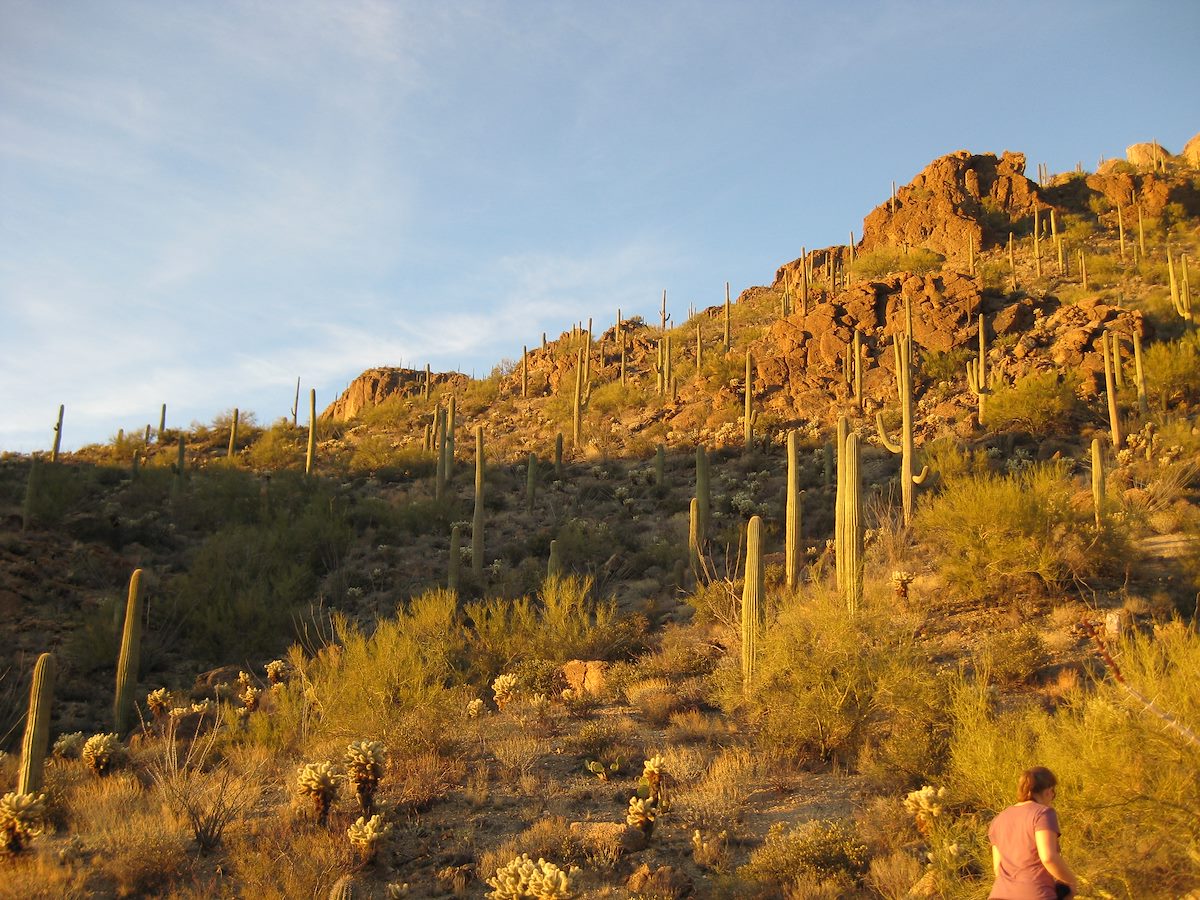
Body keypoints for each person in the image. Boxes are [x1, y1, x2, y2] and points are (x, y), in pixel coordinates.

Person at [987, 766, 1079, 900]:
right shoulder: (1043, 814)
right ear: (1049, 791)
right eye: (1054, 793)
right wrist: (1071, 882)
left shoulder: (998, 820)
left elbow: (997, 869)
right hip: (1036, 894)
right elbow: (1048, 857)